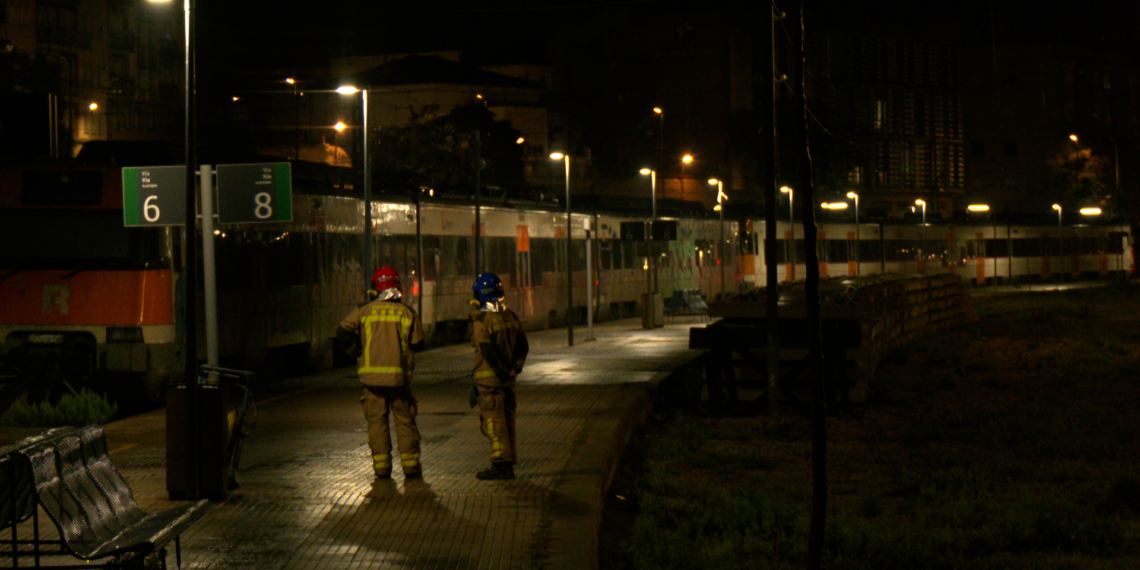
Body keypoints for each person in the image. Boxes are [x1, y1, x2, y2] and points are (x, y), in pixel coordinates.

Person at [338, 266, 426, 479]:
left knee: (377, 421)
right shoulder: (407, 313)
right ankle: (411, 467)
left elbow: (341, 331)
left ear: (376, 288)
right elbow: (419, 342)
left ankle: (382, 468)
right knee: (405, 421)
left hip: (371, 380)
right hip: (399, 379)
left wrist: (355, 352)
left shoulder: (363, 310)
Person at [468, 272, 529, 480]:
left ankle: (500, 464)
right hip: (509, 382)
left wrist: (501, 372)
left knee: (494, 423)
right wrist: (516, 368)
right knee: (508, 422)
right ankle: (509, 464)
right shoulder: (511, 316)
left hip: (491, 382)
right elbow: (523, 346)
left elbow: (487, 351)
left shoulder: (482, 321)